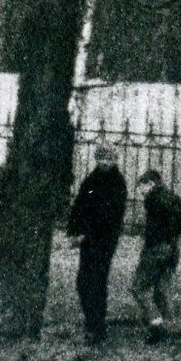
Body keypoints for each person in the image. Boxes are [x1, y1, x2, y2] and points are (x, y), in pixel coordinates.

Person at [65, 145, 130, 348]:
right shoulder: (92, 179)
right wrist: (73, 230)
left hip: (104, 241)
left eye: (109, 158)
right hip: (88, 240)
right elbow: (80, 204)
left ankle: (97, 327)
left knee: (97, 282)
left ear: (115, 160)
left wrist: (86, 234)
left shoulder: (117, 184)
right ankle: (91, 321)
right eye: (101, 158)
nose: (104, 162)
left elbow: (108, 216)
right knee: (83, 282)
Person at [130, 168, 181, 343]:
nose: (140, 192)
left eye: (141, 187)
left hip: (155, 249)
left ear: (150, 184)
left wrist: (163, 233)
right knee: (162, 289)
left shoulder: (153, 199)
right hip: (172, 248)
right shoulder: (170, 196)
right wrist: (177, 231)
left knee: (139, 288)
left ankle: (156, 323)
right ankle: (170, 327)